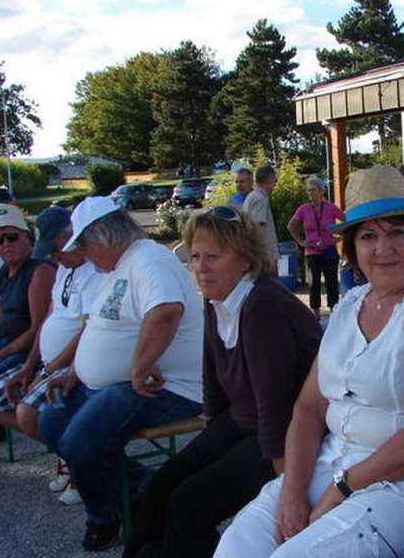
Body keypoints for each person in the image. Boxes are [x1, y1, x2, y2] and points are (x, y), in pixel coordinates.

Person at [214, 165, 404, 558]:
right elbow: (310, 407)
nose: (383, 249)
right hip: (337, 463)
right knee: (235, 546)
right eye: (368, 236)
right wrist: (292, 490)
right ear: (350, 248)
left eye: (396, 232)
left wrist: (340, 490)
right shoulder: (351, 304)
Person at [123, 205, 322, 558]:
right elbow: (213, 374)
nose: (200, 266)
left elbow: (274, 400)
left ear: (245, 259)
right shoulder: (218, 300)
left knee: (189, 504)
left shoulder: (262, 304)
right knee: (165, 482)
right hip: (244, 420)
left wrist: (286, 480)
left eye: (213, 256)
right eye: (196, 256)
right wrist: (211, 432)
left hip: (284, 433)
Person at [37, 197, 204, 552]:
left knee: (79, 442)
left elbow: (165, 311)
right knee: (50, 420)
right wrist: (76, 373)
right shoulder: (118, 268)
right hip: (123, 385)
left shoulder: (148, 260)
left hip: (166, 388)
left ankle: (105, 515)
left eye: (83, 245)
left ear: (104, 236)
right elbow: (101, 327)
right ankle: (141, 485)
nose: (82, 254)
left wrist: (139, 367)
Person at [0, 206, 104, 505]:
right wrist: (31, 368)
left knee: (31, 413)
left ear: (73, 239)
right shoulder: (62, 272)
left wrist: (45, 371)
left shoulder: (92, 273)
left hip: (71, 367)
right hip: (46, 363)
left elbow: (88, 330)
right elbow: (46, 322)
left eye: (57, 250)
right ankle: (68, 454)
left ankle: (79, 462)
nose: (53, 257)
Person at [0, 204, 55, 452]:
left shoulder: (39, 271)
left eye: (12, 236)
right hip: (5, 349)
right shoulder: (5, 272)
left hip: (27, 355)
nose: (6, 244)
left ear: (27, 237)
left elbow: (37, 330)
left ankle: (54, 440)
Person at [287, 176, 345, 314]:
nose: (310, 193)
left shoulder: (331, 208)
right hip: (312, 251)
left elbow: (346, 221)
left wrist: (339, 236)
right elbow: (291, 226)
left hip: (329, 249)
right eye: (308, 191)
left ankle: (333, 310)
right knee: (314, 284)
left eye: (313, 190)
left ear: (321, 191)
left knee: (332, 282)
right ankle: (316, 313)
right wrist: (301, 241)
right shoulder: (303, 209)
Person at [243, 164, 279, 261]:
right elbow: (258, 227)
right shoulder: (260, 199)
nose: (275, 185)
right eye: (275, 181)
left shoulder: (251, 196)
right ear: (270, 180)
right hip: (264, 258)